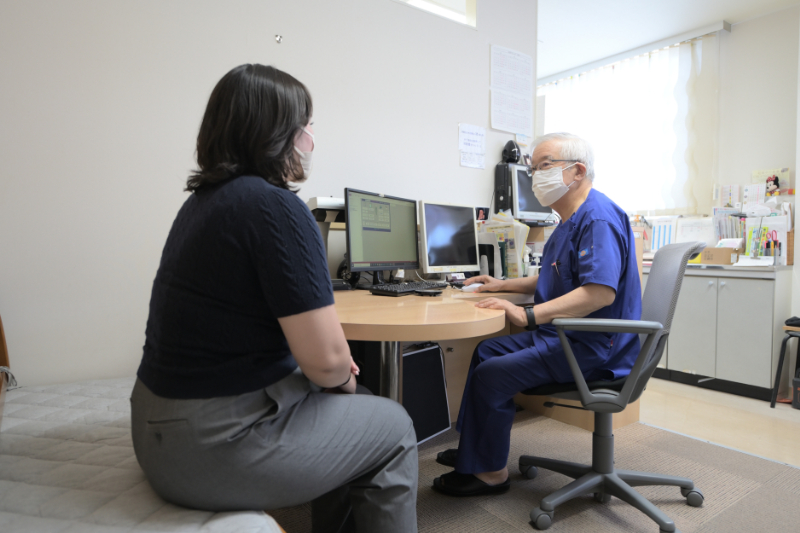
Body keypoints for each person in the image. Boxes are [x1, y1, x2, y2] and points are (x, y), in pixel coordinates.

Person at [131, 64, 418, 533]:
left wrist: (333, 370)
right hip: (209, 448)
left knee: (356, 403)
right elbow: (327, 364)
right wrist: (339, 373)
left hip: (155, 430)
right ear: (281, 133)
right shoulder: (275, 207)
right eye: (307, 125)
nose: (310, 139)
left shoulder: (202, 204)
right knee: (394, 425)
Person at [432, 132, 641, 497]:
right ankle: (476, 450)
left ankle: (490, 473)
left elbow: (598, 293)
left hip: (594, 349)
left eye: (544, 166)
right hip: (568, 336)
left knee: (491, 375)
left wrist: (527, 315)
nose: (534, 177)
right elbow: (554, 275)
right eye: (533, 169)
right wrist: (502, 285)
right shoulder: (568, 220)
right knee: (487, 351)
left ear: (577, 171)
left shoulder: (598, 219)